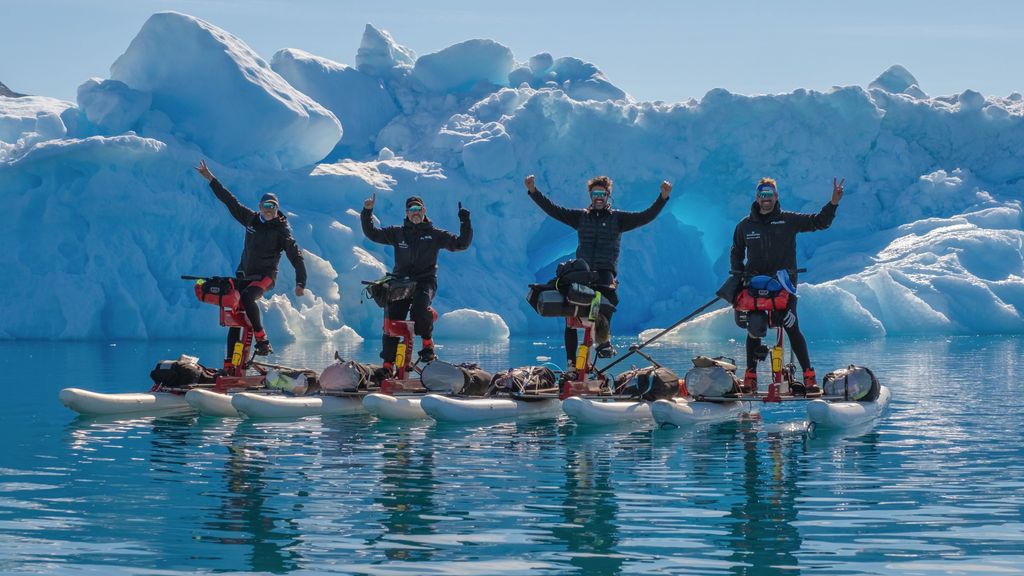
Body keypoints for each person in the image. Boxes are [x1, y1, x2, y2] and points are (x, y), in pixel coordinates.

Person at [525, 174, 671, 363]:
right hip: (582, 272)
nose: (598, 197)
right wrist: (533, 191)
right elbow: (553, 210)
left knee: (605, 303)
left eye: (602, 193)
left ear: (608, 195)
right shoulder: (580, 217)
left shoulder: (618, 219)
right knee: (570, 316)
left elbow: (646, 216)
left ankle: (602, 343)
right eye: (595, 193)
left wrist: (663, 197)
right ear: (590, 195)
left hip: (604, 273)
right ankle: (571, 364)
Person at [729, 176, 844, 393]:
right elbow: (736, 251)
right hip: (756, 288)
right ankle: (750, 377)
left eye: (770, 195)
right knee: (754, 328)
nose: (766, 199)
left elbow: (819, 222)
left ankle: (809, 377)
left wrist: (833, 202)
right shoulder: (744, 226)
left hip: (783, 286)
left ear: (776, 197)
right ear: (757, 197)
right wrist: (739, 275)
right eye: (762, 195)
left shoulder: (788, 220)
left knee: (791, 325)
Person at [195, 160, 307, 355]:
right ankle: (231, 364)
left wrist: (301, 283)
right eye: (266, 205)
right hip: (244, 275)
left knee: (247, 297)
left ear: (277, 208)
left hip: (265, 277)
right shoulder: (251, 218)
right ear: (260, 207)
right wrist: (211, 179)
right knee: (234, 309)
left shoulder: (282, 230)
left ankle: (262, 340)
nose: (269, 209)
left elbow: (296, 256)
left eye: (273, 206)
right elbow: (230, 201)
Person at [361, 193, 472, 375]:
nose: (415, 213)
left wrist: (465, 221)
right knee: (392, 320)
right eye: (412, 210)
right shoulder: (397, 233)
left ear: (424, 211)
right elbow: (372, 233)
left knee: (419, 309)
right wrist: (367, 212)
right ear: (406, 212)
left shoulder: (435, 234)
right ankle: (388, 365)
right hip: (401, 283)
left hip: (424, 282)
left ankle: (427, 343)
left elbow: (461, 244)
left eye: (418, 209)